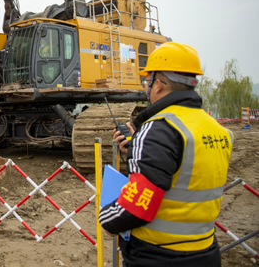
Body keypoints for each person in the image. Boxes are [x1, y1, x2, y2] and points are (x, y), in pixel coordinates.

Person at [98, 42, 233, 266]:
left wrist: (107, 220)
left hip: (157, 255)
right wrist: (136, 148)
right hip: (206, 250)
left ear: (158, 84)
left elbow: (136, 207)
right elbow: (184, 169)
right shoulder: (218, 130)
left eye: (147, 82)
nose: (146, 88)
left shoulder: (159, 128)